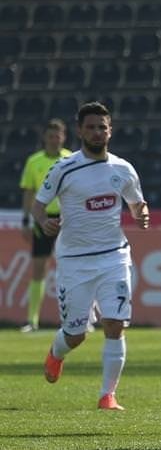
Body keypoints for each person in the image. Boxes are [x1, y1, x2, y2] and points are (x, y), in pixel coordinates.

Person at [36, 102, 150, 410]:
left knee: (115, 323)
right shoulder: (64, 169)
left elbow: (137, 203)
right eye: (91, 127)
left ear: (110, 131)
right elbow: (39, 204)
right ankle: (56, 353)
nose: (97, 132)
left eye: (102, 127)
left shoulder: (122, 169)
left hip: (114, 256)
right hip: (74, 261)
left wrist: (141, 214)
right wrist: (44, 221)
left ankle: (107, 395)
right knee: (76, 334)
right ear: (79, 131)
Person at [18, 119, 72, 333]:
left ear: (63, 137)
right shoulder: (34, 161)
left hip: (67, 218)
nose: (54, 140)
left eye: (57, 136)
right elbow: (29, 192)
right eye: (50, 136)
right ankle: (32, 320)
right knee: (39, 267)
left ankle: (78, 319)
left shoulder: (71, 159)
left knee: (73, 268)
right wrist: (26, 220)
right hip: (42, 218)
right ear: (44, 138)